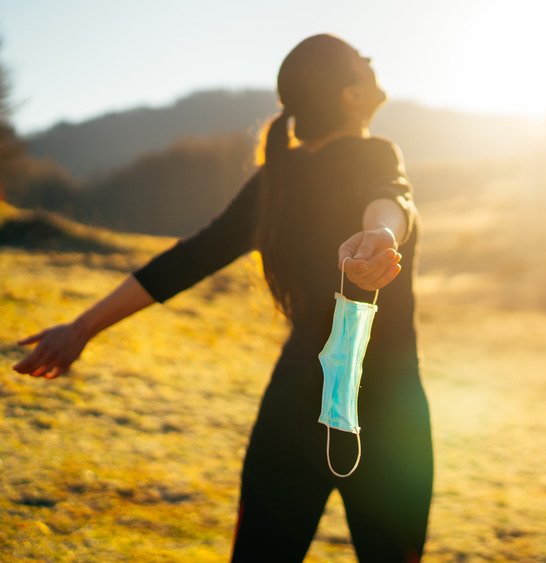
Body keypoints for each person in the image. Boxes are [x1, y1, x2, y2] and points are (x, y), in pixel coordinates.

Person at [11, 34, 433, 562]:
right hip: (390, 409)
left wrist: (81, 329)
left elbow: (186, 259)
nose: (371, 61)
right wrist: (386, 234)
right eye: (359, 60)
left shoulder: (274, 180)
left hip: (292, 405)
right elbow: (392, 196)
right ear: (349, 95)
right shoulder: (367, 153)